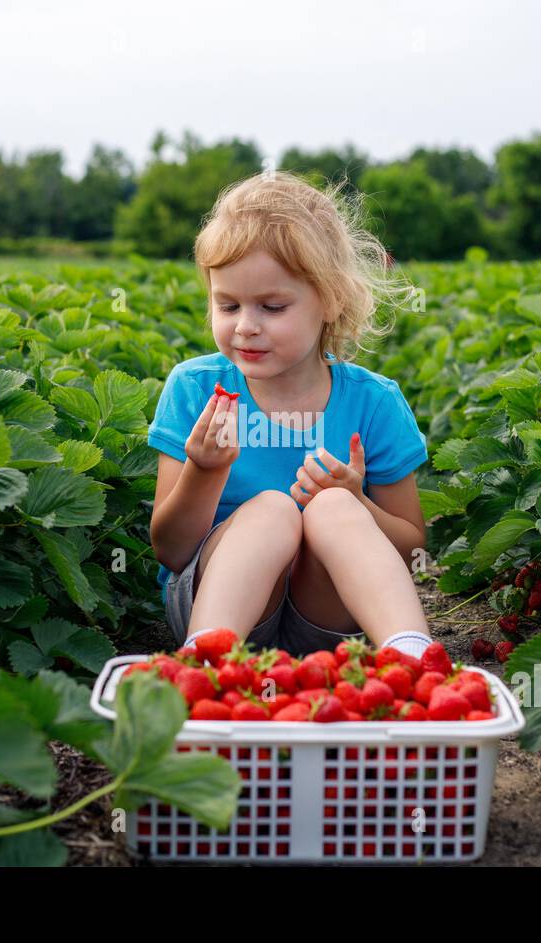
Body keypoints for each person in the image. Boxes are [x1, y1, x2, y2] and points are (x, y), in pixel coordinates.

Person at [147, 170, 433, 660]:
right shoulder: (194, 390)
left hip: (330, 621)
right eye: (228, 305)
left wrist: (358, 503)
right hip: (222, 613)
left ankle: (412, 657)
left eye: (272, 307)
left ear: (331, 301)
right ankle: (203, 662)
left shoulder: (373, 402)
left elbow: (413, 552)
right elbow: (171, 551)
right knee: (272, 510)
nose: (246, 327)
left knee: (334, 507)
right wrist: (205, 470)